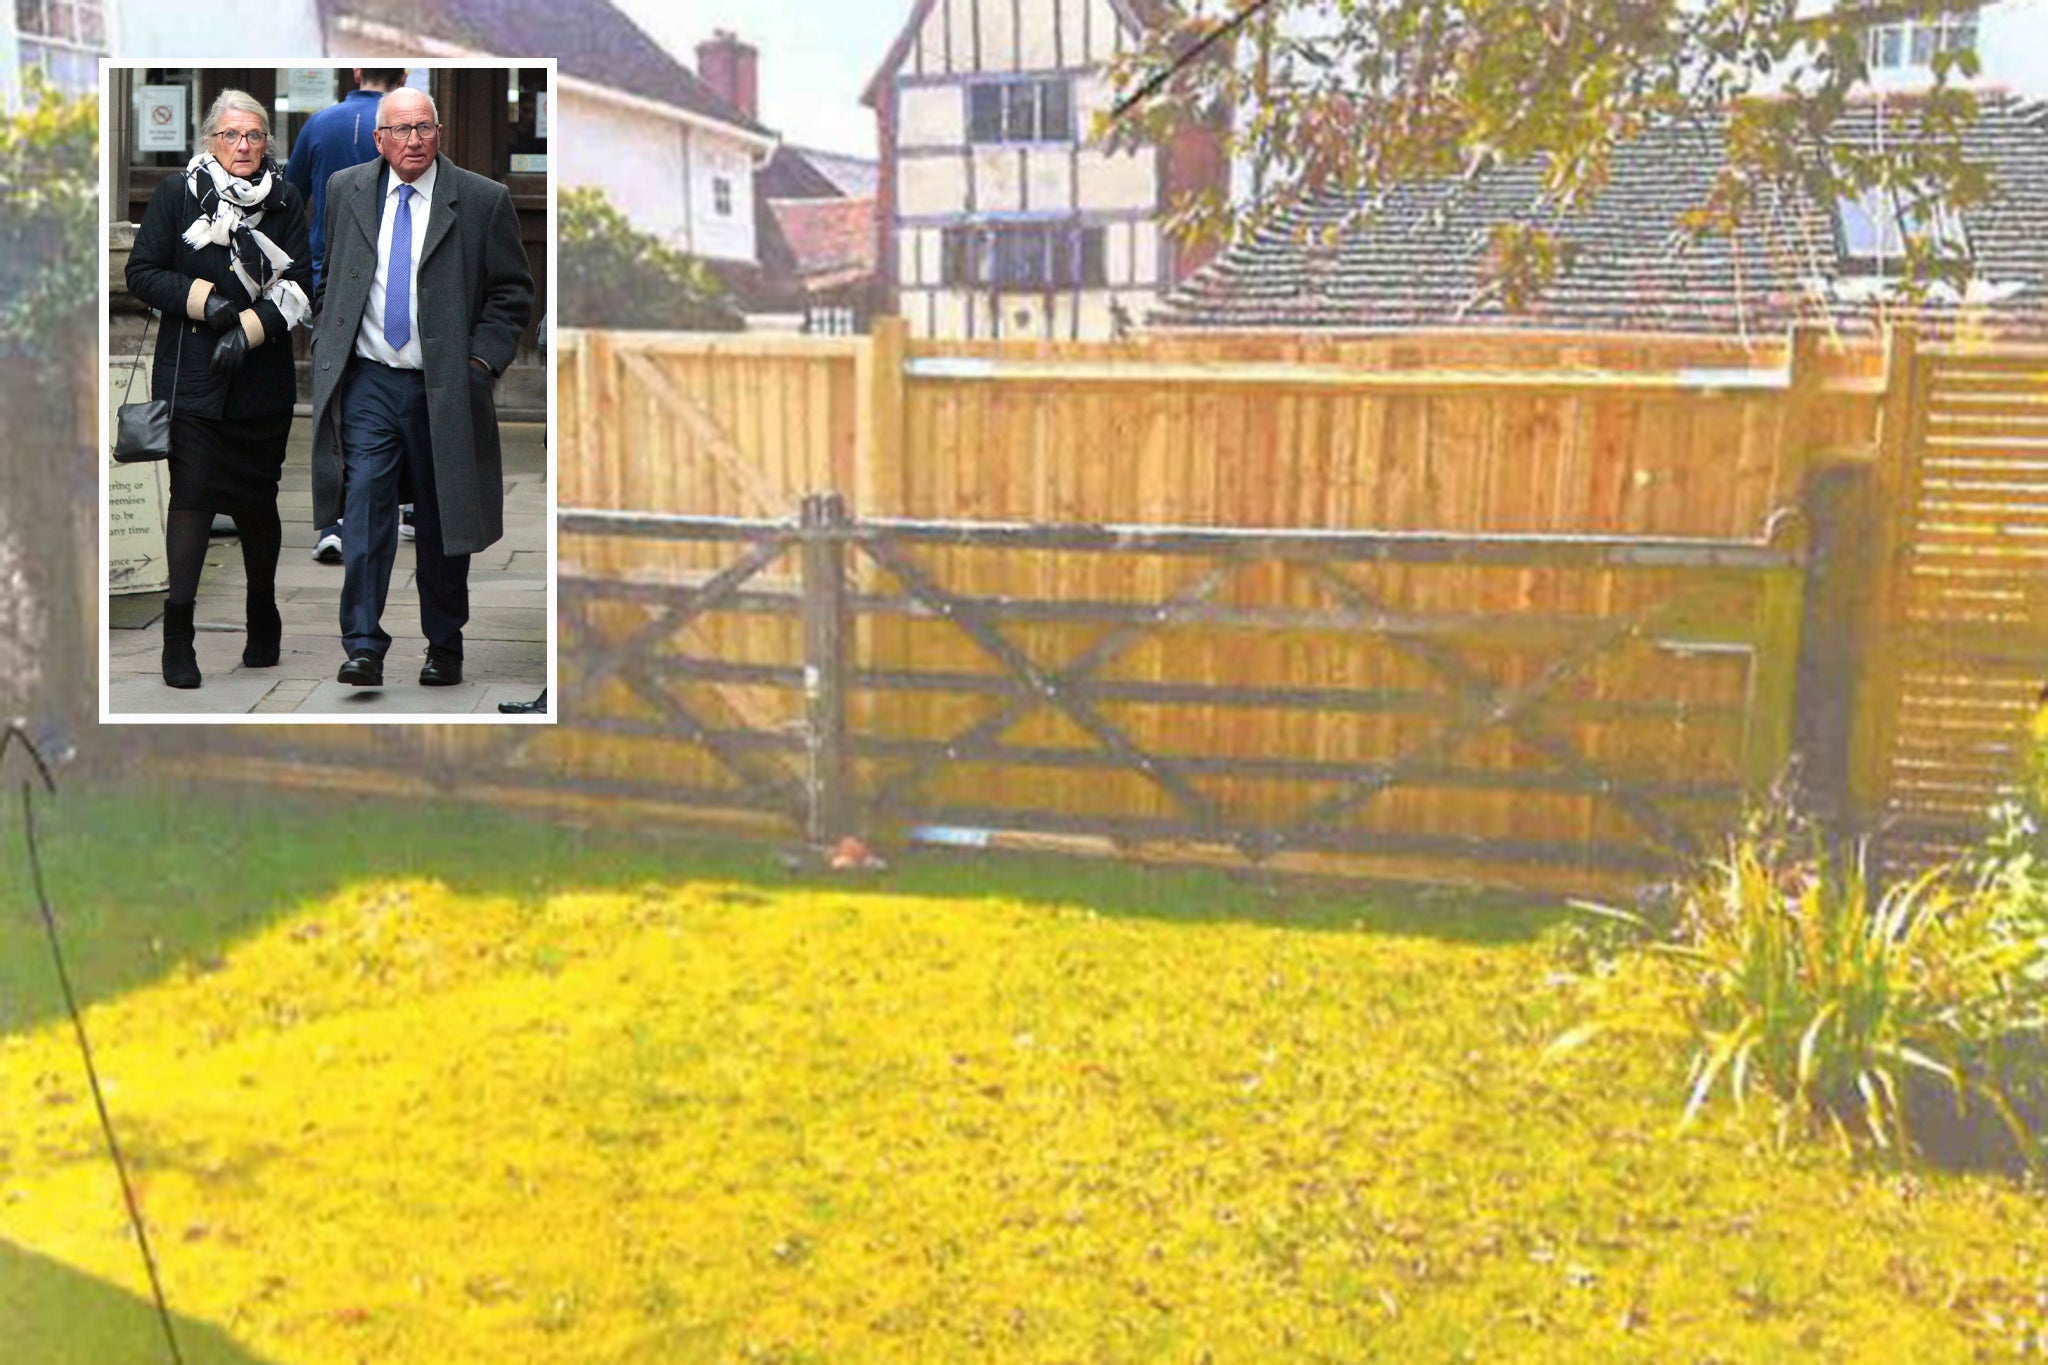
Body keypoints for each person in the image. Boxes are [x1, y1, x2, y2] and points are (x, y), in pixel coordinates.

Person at [310, 86, 533, 688]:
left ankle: (445, 646)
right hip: (369, 382)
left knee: (441, 520)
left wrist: (479, 366)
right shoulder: (346, 190)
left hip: (445, 389)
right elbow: (328, 273)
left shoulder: (484, 201)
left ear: (440, 134)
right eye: (400, 130)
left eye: (424, 128)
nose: (413, 140)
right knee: (363, 510)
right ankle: (362, 646)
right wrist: (328, 335)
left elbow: (512, 297)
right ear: (379, 140)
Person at [126, 89, 312, 690]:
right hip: (192, 379)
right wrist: (211, 308)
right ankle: (177, 635)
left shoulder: (285, 199)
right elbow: (143, 272)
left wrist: (251, 330)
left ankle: (263, 610)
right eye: (231, 136)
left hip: (261, 381)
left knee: (258, 501)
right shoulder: (178, 194)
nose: (243, 146)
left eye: (254, 136)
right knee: (193, 498)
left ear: (267, 143)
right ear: (211, 141)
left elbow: (304, 282)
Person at [285, 67, 405, 565]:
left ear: (355, 71)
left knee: (336, 397)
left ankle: (333, 522)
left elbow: (290, 194)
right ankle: (409, 504)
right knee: (396, 386)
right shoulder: (408, 125)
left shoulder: (320, 123)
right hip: (390, 278)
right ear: (402, 73)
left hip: (328, 274)